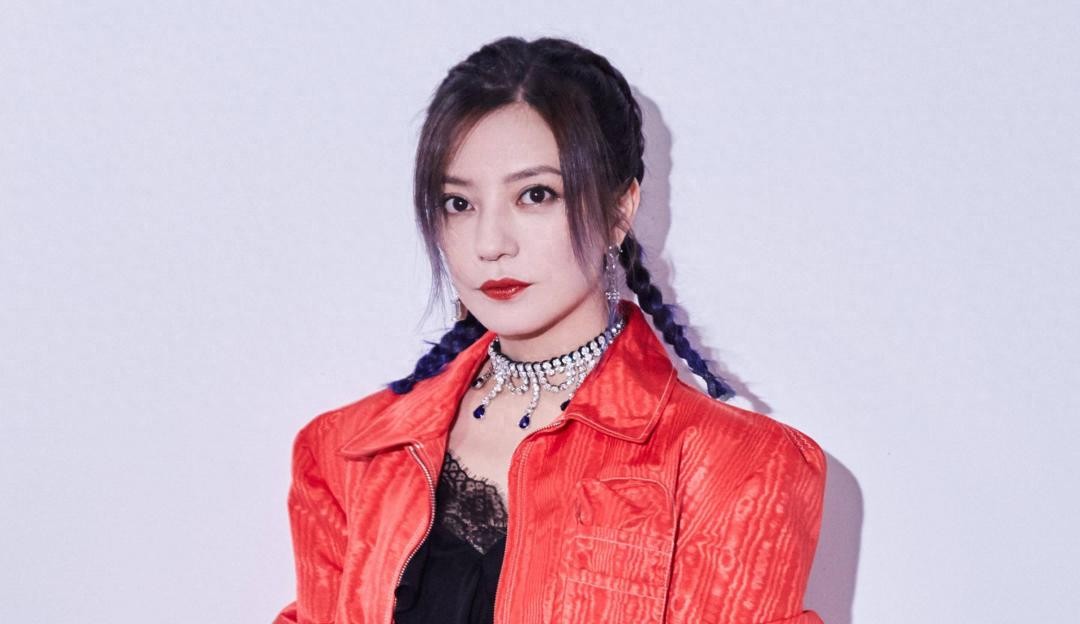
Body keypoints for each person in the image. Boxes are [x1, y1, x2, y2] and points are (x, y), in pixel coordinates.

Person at [274, 36, 827, 624]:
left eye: (535, 195)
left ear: (619, 211)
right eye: (459, 203)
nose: (490, 244)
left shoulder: (738, 470)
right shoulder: (348, 454)